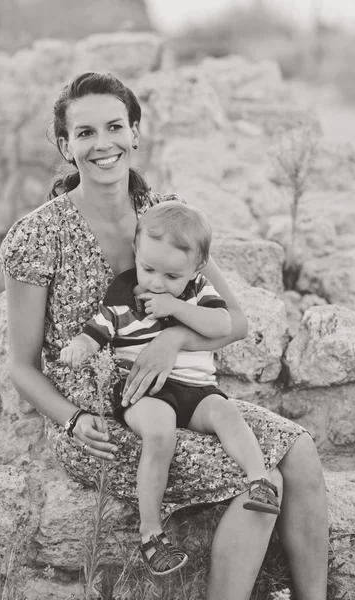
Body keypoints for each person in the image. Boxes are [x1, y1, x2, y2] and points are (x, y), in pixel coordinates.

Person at [0, 71, 328, 599]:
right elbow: (22, 365)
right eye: (85, 133)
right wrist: (74, 420)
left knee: (302, 450)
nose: (103, 144)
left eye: (114, 127)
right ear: (65, 146)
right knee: (265, 482)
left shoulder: (168, 216)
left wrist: (174, 339)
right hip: (108, 416)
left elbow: (234, 322)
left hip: (186, 389)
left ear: (135, 133)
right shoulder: (38, 235)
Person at [60, 201, 281, 575]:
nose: (157, 283)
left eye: (171, 276)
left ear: (196, 269)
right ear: (136, 253)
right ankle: (151, 533)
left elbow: (223, 326)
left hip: (197, 389)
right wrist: (79, 347)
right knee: (161, 433)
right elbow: (97, 330)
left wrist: (175, 308)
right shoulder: (124, 295)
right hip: (145, 391)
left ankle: (259, 482)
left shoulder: (198, 291)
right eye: (148, 269)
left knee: (228, 414)